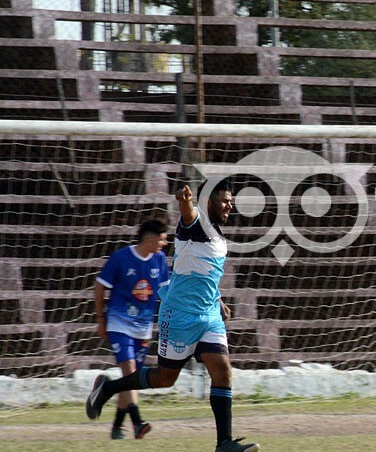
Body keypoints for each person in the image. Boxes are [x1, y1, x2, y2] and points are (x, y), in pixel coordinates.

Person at [86, 181, 260, 452]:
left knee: (223, 372)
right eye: (225, 200)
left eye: (231, 200)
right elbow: (188, 212)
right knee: (165, 379)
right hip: (179, 316)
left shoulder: (215, 233)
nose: (230, 205)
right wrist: (184, 200)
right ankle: (108, 389)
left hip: (208, 315)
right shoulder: (196, 222)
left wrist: (218, 299)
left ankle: (224, 443)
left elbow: (201, 274)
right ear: (208, 201)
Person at [93, 218, 169, 439]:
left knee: (131, 378)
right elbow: (99, 288)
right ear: (151, 239)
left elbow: (166, 294)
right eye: (163, 240)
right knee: (129, 370)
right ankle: (137, 423)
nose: (164, 244)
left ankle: (117, 427)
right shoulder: (120, 258)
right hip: (118, 323)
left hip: (143, 328)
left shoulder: (160, 260)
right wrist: (101, 319)